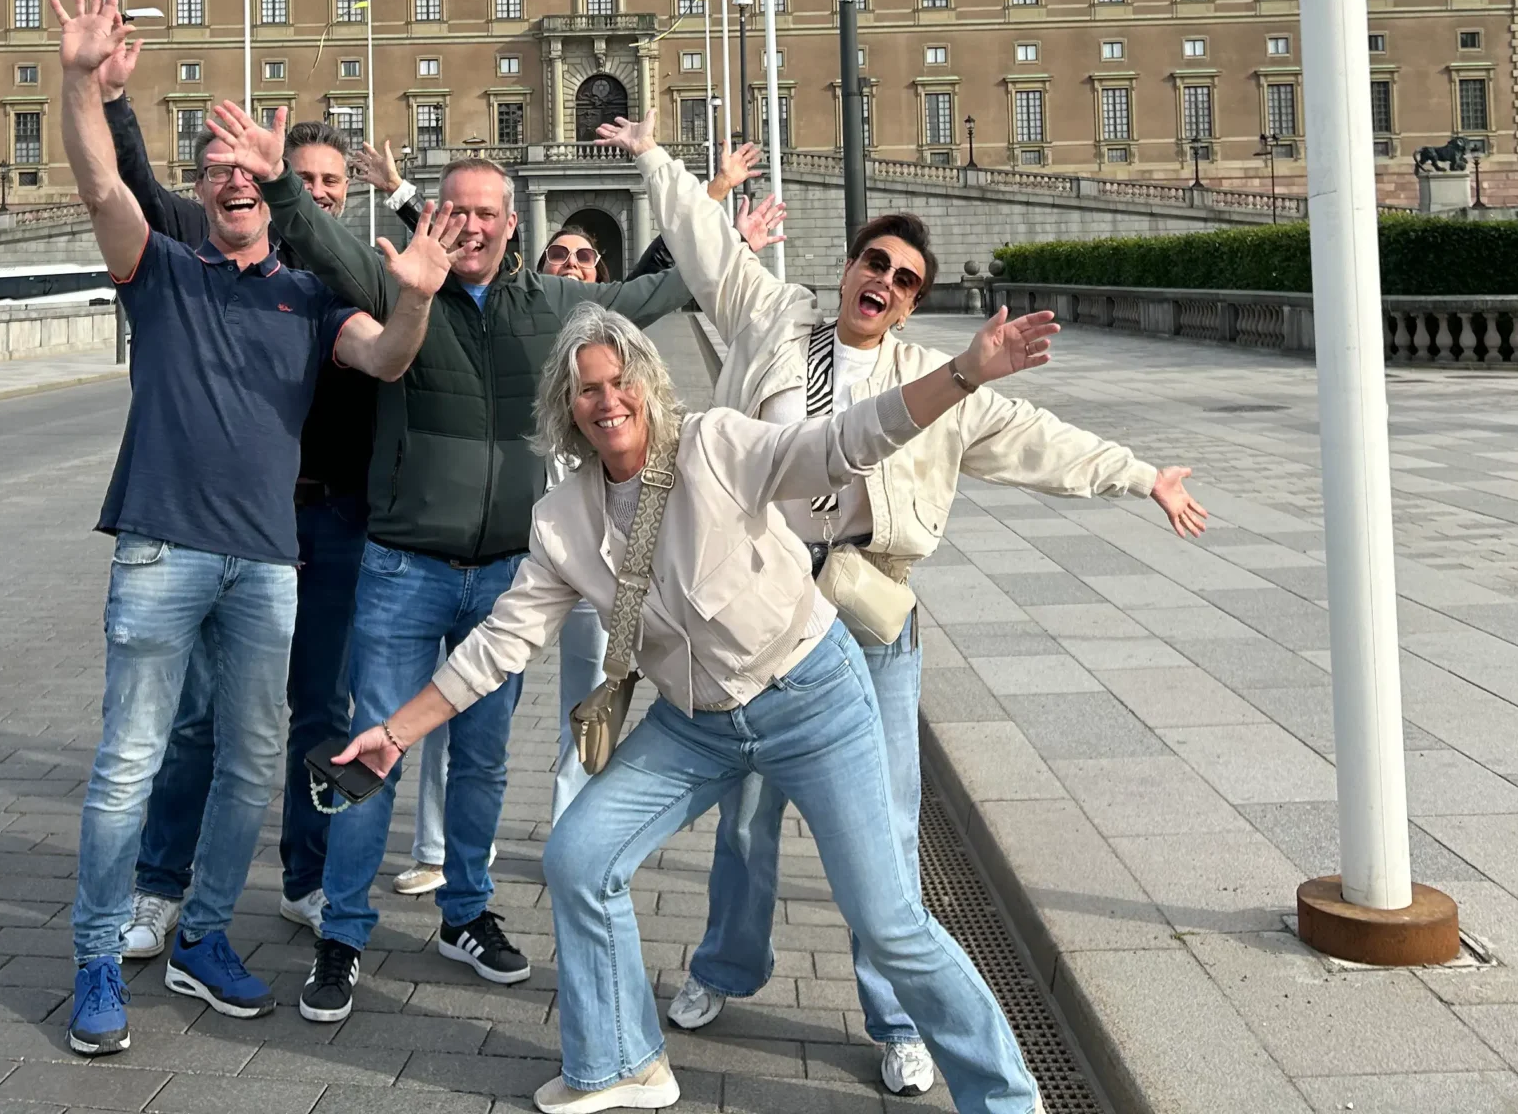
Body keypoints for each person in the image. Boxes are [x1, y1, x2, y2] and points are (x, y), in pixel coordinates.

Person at [595, 115, 1207, 1096]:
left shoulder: (934, 382)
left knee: (884, 825)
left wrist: (1142, 477)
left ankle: (895, 1018)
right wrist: (656, 160)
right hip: (758, 610)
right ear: (847, 269)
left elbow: (1036, 436)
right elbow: (707, 247)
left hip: (868, 616)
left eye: (905, 278)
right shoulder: (774, 321)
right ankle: (725, 966)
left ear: (915, 301)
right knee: (747, 814)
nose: (883, 280)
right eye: (873, 262)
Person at [333, 302, 1062, 1114]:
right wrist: (395, 733)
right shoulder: (562, 518)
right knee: (579, 857)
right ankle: (625, 1063)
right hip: (695, 726)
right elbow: (502, 642)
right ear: (566, 406)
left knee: (887, 922)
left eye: (620, 382)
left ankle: (1007, 1098)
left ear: (648, 383)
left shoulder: (716, 445)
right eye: (587, 389)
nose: (607, 401)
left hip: (811, 700)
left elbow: (842, 442)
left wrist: (962, 373)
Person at [198, 98, 693, 1025]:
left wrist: (714, 224)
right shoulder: (395, 283)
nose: (470, 224)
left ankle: (466, 911)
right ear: (435, 215)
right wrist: (277, 183)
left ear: (511, 226)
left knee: (482, 760)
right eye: (455, 209)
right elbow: (324, 245)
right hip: (402, 568)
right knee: (373, 750)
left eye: (486, 212)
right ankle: (344, 931)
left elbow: (653, 296)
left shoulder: (554, 306)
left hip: (506, 575)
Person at [54, 0, 463, 1056]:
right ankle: (96, 954)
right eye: (217, 171)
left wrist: (415, 296)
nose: (235, 181)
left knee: (249, 762)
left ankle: (202, 935)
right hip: (162, 549)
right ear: (198, 194)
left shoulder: (310, 297)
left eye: (251, 172)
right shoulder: (162, 271)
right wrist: (81, 82)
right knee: (130, 761)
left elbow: (386, 357)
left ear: (272, 197)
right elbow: (100, 184)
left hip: (267, 563)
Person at [395, 180, 794, 881]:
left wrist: (729, 239)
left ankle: (570, 840)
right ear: (538, 264)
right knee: (467, 694)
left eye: (584, 256)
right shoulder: (518, 324)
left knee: (590, 706)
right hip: (523, 551)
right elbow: (452, 253)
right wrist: (404, 198)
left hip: (604, 552)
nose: (571, 263)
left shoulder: (605, 353)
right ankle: (436, 849)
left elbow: (662, 283)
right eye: (559, 254)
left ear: (600, 275)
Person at [95, 108, 410, 955]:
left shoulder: (354, 276)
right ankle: (162, 882)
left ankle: (306, 878)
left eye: (330, 182)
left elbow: (419, 332)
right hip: (226, 523)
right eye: (300, 178)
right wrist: (114, 104)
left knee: (321, 714)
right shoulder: (218, 257)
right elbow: (138, 192)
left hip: (337, 520)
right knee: (195, 717)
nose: (317, 192)